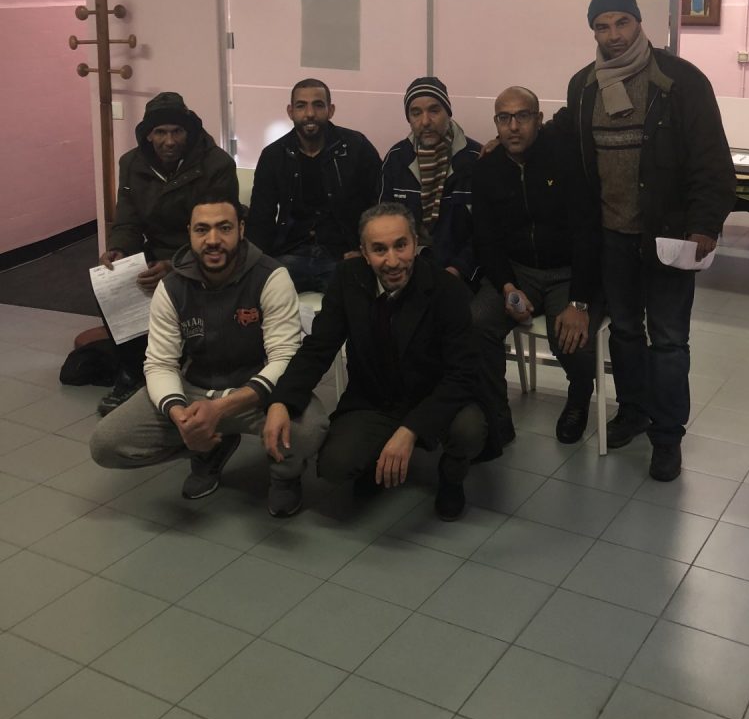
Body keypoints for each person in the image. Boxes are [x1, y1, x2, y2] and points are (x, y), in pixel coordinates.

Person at [562, 0, 735, 479]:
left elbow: (711, 158)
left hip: (669, 235)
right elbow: (569, 135)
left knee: (669, 340)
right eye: (602, 26)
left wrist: (705, 224)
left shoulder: (680, 81)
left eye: (622, 22)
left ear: (639, 23)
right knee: (624, 333)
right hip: (611, 237)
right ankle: (633, 412)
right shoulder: (584, 86)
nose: (613, 34)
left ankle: (667, 435)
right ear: (593, 31)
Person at [89, 195, 328, 517]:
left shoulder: (271, 276)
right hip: (195, 390)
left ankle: (284, 476)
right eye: (202, 229)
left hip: (257, 393)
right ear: (189, 232)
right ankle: (209, 450)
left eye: (224, 228)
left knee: (309, 430)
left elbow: (285, 356)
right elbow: (160, 363)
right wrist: (180, 417)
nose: (213, 240)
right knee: (106, 444)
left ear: (241, 230)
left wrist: (220, 409)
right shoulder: (171, 287)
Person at [264, 203, 501, 521]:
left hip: (436, 397)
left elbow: (463, 373)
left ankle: (452, 475)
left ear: (415, 243)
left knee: (469, 430)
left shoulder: (448, 290)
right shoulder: (347, 279)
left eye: (401, 245)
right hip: (375, 399)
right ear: (364, 253)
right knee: (336, 466)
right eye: (379, 249)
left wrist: (411, 429)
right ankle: (378, 460)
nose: (392, 260)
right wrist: (281, 400)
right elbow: (318, 348)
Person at [471, 86, 601, 444]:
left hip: (567, 272)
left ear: (539, 119)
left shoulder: (566, 161)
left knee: (572, 339)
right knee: (476, 323)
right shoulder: (487, 169)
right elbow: (485, 238)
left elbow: (588, 234)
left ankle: (578, 400)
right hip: (518, 272)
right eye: (504, 118)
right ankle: (496, 416)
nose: (513, 126)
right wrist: (507, 288)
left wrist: (579, 302)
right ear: (496, 123)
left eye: (522, 116)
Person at [94, 92, 238, 416]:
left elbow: (218, 231)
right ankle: (133, 370)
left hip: (206, 252)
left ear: (189, 132)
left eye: (177, 131)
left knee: (177, 283)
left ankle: (182, 366)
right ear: (148, 135)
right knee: (109, 281)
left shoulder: (216, 164)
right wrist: (118, 250)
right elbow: (128, 221)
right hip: (156, 250)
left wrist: (175, 265)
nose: (169, 141)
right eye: (160, 132)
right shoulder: (131, 163)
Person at [246, 78, 381, 291]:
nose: (310, 113)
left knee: (359, 295)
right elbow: (260, 218)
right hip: (289, 253)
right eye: (301, 106)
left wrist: (364, 250)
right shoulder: (274, 155)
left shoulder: (357, 147)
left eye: (318, 105)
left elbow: (378, 205)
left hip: (343, 254)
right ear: (290, 111)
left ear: (330, 110)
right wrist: (258, 264)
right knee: (258, 292)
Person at [379, 76, 481, 283]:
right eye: (416, 113)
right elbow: (383, 223)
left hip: (461, 272)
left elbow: (485, 231)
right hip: (405, 268)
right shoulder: (397, 158)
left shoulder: (475, 159)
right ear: (409, 118)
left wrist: (458, 269)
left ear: (448, 113)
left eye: (434, 110)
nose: (425, 121)